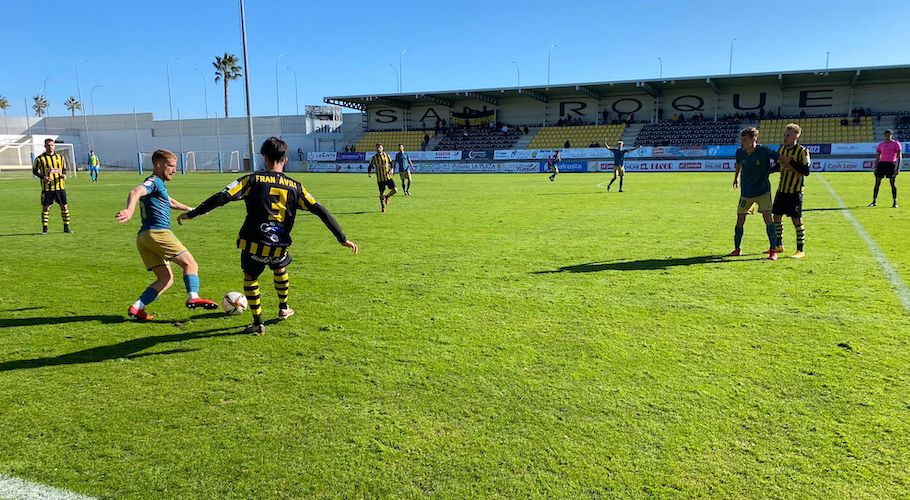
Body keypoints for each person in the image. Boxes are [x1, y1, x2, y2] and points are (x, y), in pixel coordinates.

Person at [177, 137, 358, 335]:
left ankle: (257, 322)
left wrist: (193, 213)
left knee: (250, 276)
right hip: (279, 245)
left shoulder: (251, 180)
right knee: (280, 268)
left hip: (253, 242)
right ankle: (283, 308)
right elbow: (319, 209)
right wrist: (342, 238)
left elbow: (222, 197)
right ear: (285, 159)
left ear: (264, 158)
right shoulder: (296, 187)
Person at [115, 149, 219, 321]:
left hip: (144, 238)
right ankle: (193, 296)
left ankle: (137, 307)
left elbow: (169, 201)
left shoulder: (158, 185)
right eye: (171, 165)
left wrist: (191, 210)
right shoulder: (154, 181)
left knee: (165, 278)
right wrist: (129, 210)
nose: (174, 170)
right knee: (190, 264)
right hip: (159, 232)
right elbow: (135, 192)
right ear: (158, 164)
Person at [729, 127, 780, 260]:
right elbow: (739, 164)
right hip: (746, 192)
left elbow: (779, 158)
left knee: (768, 218)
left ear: (753, 139)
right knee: (740, 219)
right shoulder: (740, 152)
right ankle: (737, 249)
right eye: (742, 139)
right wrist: (736, 177)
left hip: (763, 191)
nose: (742, 142)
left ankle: (773, 250)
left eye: (745, 139)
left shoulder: (764, 151)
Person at [770, 123, 811, 259]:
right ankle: (778, 245)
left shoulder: (802, 151)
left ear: (796, 136)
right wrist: (766, 172)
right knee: (776, 217)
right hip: (782, 190)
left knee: (796, 220)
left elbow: (806, 171)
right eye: (784, 135)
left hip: (795, 191)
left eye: (788, 135)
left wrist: (790, 162)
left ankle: (800, 250)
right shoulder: (781, 149)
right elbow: (778, 166)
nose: (785, 138)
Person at [32, 138, 73, 234]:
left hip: (60, 187)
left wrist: (64, 175)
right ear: (45, 146)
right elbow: (34, 170)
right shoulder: (39, 158)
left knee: (64, 206)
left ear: (54, 146)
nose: (50, 147)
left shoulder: (60, 157)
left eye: (52, 145)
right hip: (47, 188)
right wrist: (43, 177)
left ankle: (66, 227)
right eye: (48, 145)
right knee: (46, 208)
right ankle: (45, 229)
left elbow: (63, 168)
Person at [870, 129, 902, 208]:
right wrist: (875, 167)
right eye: (886, 135)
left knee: (892, 183)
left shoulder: (896, 144)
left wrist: (897, 169)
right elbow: (878, 157)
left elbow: (899, 156)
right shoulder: (881, 144)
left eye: (889, 135)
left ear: (891, 135)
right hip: (882, 164)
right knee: (877, 183)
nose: (887, 137)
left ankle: (895, 202)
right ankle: (874, 201)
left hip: (891, 164)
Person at [368, 143, 398, 212]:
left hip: (388, 177)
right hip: (380, 179)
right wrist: (369, 172)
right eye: (377, 147)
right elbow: (370, 165)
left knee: (395, 190)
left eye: (380, 147)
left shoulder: (387, 155)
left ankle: (387, 197)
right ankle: (383, 207)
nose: (379, 148)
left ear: (382, 148)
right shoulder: (374, 158)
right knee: (381, 193)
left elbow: (391, 163)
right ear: (376, 149)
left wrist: (392, 169)